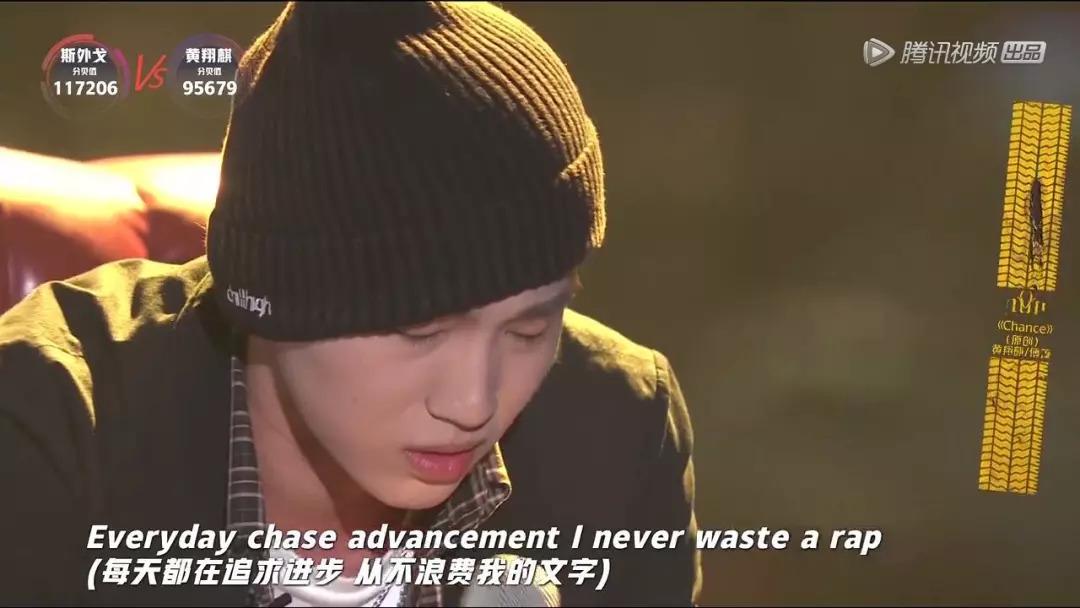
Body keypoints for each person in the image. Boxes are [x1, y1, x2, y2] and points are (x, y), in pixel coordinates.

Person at [0, 2, 701, 606]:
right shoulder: (48, 427)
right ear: (272, 297)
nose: (473, 403)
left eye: (529, 328)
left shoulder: (618, 430)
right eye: (418, 328)